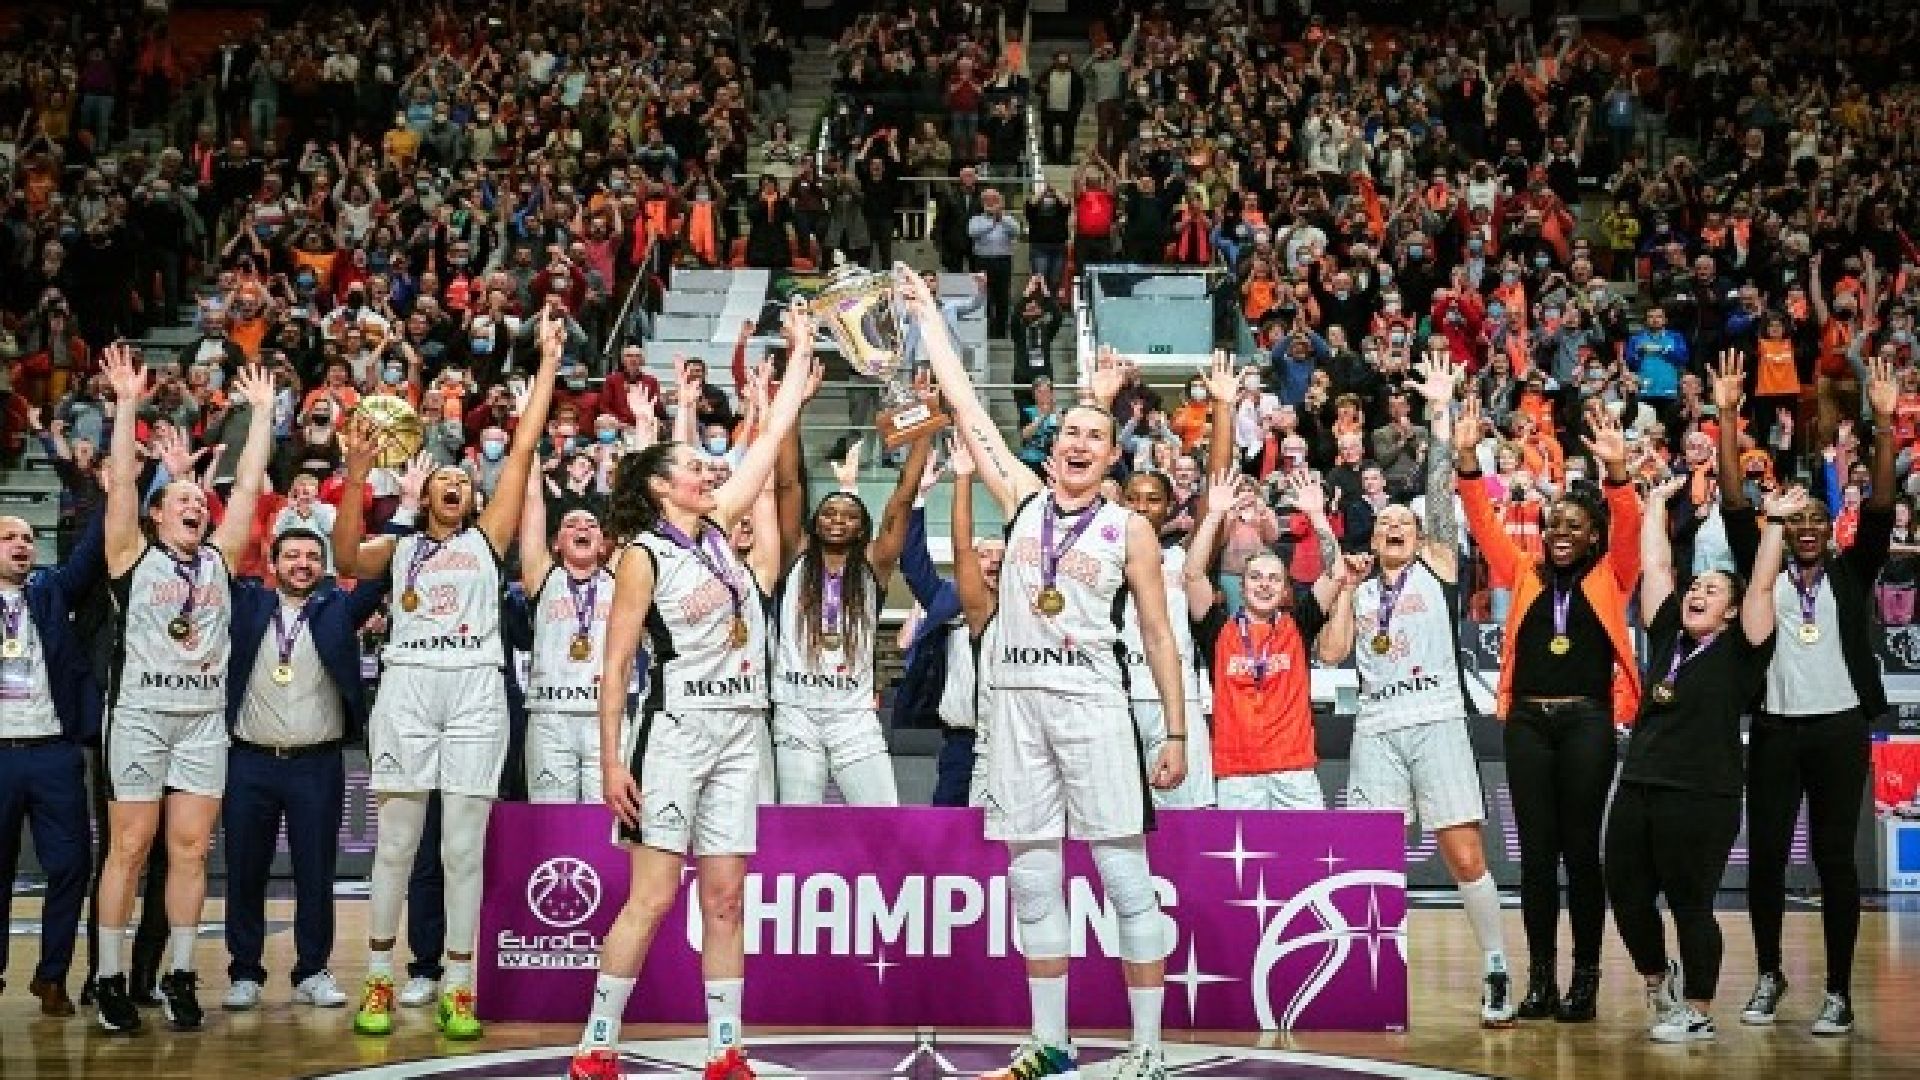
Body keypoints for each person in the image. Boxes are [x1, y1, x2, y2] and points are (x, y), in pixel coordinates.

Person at [908, 268, 1187, 1080]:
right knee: (1033, 880)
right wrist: (930, 319)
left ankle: (1147, 1049)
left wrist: (1174, 731)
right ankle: (1051, 1043)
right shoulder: (1023, 499)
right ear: (1053, 443)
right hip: (1016, 710)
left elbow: (1160, 637)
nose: (1078, 441)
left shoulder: (1130, 528)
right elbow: (967, 405)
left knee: (1124, 878)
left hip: (1094, 706)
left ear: (1113, 454)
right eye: (1068, 430)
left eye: (1094, 434)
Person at [567, 306, 820, 1080]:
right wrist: (612, 762)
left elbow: (770, 440)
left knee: (726, 899)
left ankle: (725, 1049)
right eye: (692, 466)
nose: (709, 471)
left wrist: (800, 354)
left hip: (741, 729)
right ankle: (595, 1045)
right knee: (650, 898)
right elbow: (615, 667)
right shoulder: (642, 556)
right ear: (658, 486)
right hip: (675, 730)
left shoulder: (721, 526)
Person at [330, 315, 565, 1040]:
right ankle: (378, 976)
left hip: (474, 689)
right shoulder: (398, 548)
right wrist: (358, 476)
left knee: (462, 849)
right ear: (426, 494)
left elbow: (521, 449)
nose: (457, 485)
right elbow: (344, 557)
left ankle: (458, 987)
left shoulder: (488, 541)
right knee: (397, 844)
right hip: (407, 685)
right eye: (446, 480)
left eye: (465, 480)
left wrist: (547, 364)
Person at [1321, 358, 1518, 1028]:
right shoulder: (1363, 590)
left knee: (1463, 854)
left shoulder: (1436, 566)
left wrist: (1439, 413)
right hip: (1377, 727)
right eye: (1385, 524)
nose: (1395, 526)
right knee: (1369, 857)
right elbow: (1332, 653)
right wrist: (1344, 591)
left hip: (1436, 718)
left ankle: (1496, 967)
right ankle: (1358, 975)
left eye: (1404, 521)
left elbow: (1437, 493)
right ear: (1375, 537)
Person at [94, 344, 278, 1034]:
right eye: (183, 498)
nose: (196, 503)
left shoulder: (221, 560)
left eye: (201, 499)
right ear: (157, 514)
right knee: (129, 847)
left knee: (193, 851)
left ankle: (178, 972)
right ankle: (109, 975)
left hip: (202, 719)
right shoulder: (129, 554)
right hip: (140, 715)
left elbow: (250, 487)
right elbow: (120, 483)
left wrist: (262, 415)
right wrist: (127, 406)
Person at [1714, 350, 1898, 1036]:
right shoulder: (1765, 569)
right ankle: (1769, 974)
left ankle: (1839, 991)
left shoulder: (1852, 572)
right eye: (1796, 520)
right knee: (1764, 859)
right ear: (1785, 531)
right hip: (1774, 729)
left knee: (1833, 861)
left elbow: (1881, 505)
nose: (1808, 527)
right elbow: (1736, 502)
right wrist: (1726, 417)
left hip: (1840, 729)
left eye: (1818, 517)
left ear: (1832, 529)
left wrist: (1884, 425)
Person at [1454, 390, 1643, 1024]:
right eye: (1553, 524)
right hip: (1528, 723)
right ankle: (1540, 980)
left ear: (1593, 535)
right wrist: (1467, 461)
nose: (1561, 533)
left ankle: (1584, 980)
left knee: (1581, 851)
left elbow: (1630, 523)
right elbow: (1483, 522)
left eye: (1573, 526)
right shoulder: (1524, 573)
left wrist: (1617, 472)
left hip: (1587, 720)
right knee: (1536, 856)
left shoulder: (1613, 574)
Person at [1607, 472, 1793, 1043]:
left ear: (1732, 611)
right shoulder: (1669, 633)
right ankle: (1656, 977)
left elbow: (1762, 586)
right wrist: (1656, 505)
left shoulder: (1744, 647)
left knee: (1691, 905)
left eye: (1713, 591)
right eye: (1698, 587)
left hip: (1703, 792)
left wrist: (1775, 523)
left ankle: (1698, 1009)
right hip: (1639, 781)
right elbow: (1658, 566)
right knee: (1626, 895)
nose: (1698, 593)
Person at [218, 526, 385, 1011]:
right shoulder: (247, 604)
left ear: (325, 566)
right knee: (244, 871)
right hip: (250, 760)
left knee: (316, 873)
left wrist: (407, 510)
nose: (302, 564)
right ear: (272, 563)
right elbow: (216, 562)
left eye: (312, 556)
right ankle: (244, 972)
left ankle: (312, 970)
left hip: (317, 764)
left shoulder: (338, 608)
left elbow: (378, 576)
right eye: (291, 556)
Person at [766, 404, 930, 804]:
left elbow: (903, 498)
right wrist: (792, 406)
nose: (838, 519)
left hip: (853, 716)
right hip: (795, 712)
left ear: (862, 528)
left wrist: (924, 426)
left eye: (849, 515)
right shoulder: (794, 555)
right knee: (799, 823)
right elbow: (788, 483)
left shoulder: (875, 563)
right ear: (814, 521)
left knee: (882, 818)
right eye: (829, 512)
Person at [1107, 351, 1241, 809]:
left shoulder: (1184, 559)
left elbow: (1216, 492)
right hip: (1113, 702)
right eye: (1134, 498)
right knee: (1112, 822)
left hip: (1176, 703)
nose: (1143, 507)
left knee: (1189, 822)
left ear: (1169, 508)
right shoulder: (1101, 553)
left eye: (1153, 499)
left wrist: (1223, 407)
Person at [1186, 471, 1346, 810]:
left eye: (1274, 579)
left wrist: (1317, 516)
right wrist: (1214, 515)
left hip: (1295, 771)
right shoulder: (1217, 630)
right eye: (1255, 577)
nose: (1264, 585)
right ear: (1241, 586)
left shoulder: (1298, 625)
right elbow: (1193, 575)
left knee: (1306, 849)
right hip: (1237, 774)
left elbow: (1336, 574)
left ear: (1286, 591)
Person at [0, 510, 104, 1018]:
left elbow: (91, 551)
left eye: (29, 537)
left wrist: (123, 484)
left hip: (52, 752)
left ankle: (52, 976)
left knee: (70, 867)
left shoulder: (50, 592)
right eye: (9, 538)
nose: (22, 545)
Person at [518, 470, 618, 804]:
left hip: (606, 716)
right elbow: (533, 502)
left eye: (591, 525)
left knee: (606, 822)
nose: (582, 529)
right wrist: (529, 454)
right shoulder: (543, 576)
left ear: (603, 544)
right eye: (571, 524)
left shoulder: (621, 579)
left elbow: (638, 519)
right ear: (556, 543)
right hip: (550, 715)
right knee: (552, 820)